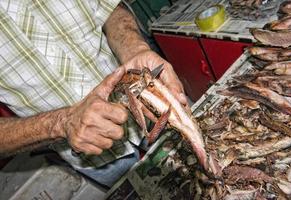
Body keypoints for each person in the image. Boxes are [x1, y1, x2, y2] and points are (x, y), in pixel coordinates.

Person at [0, 0, 186, 187]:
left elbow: (109, 9)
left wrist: (134, 50)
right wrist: (60, 123)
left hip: (148, 101)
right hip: (91, 155)